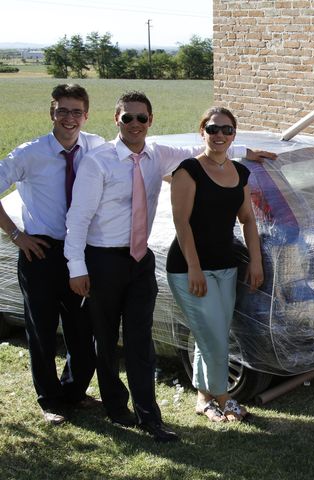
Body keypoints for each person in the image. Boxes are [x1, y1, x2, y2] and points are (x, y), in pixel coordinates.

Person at [64, 91, 275, 442]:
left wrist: (247, 152)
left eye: (142, 118)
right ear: (116, 119)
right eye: (128, 118)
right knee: (104, 339)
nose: (135, 124)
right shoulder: (97, 161)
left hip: (140, 260)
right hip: (102, 259)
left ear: (151, 121)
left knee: (140, 342)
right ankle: (117, 407)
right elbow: (78, 217)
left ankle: (151, 417)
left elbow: (209, 152)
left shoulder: (157, 154)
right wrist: (76, 267)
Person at [0, 84, 102, 425]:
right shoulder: (30, 153)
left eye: (76, 111)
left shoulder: (96, 146)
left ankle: (73, 392)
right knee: (41, 331)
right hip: (40, 253)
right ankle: (50, 400)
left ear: (86, 115)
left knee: (82, 330)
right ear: (52, 113)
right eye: (62, 110)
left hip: (80, 253)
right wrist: (16, 235)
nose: (69, 118)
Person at [166, 107, 263, 423]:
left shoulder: (239, 172)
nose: (219, 135)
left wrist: (256, 261)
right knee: (214, 337)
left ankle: (203, 397)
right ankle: (225, 397)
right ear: (202, 131)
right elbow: (182, 222)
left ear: (234, 134)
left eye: (226, 129)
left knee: (213, 332)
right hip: (188, 268)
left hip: (227, 266)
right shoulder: (188, 171)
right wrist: (194, 267)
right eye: (212, 129)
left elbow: (247, 219)